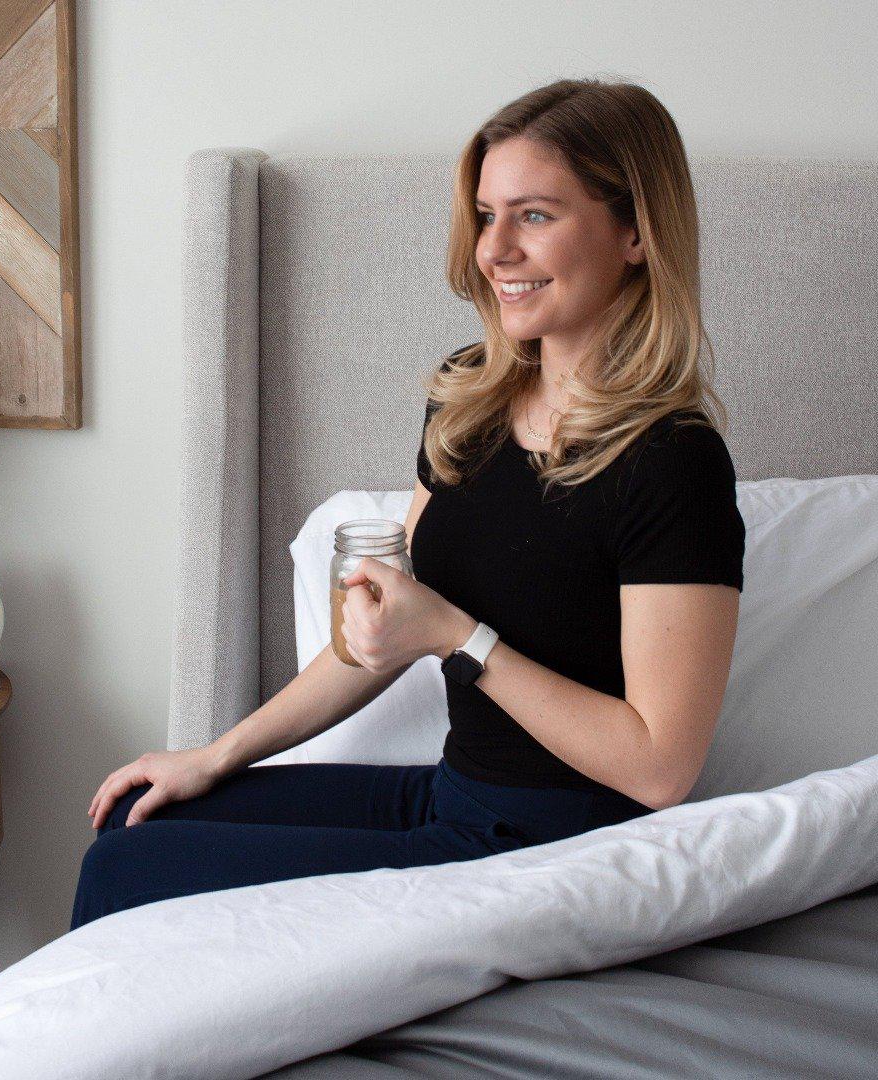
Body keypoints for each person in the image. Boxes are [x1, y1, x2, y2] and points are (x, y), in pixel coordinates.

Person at [70, 77, 745, 931]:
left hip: (555, 847)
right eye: (486, 215)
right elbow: (383, 636)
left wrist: (462, 639)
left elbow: (660, 766)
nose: (493, 250)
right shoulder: (472, 398)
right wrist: (214, 755)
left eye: (534, 215)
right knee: (146, 820)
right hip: (452, 797)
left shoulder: (674, 462)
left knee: (132, 872)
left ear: (636, 230)